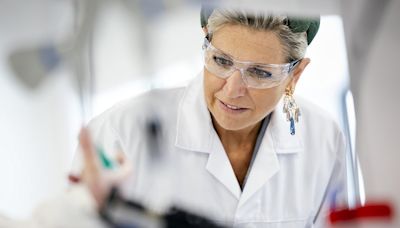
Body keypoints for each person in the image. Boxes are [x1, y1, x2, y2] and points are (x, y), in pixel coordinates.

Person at [70, 7, 348, 228]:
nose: (232, 90)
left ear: (295, 74)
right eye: (222, 61)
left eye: (260, 73)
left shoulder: (323, 139)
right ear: (206, 41)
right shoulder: (122, 132)